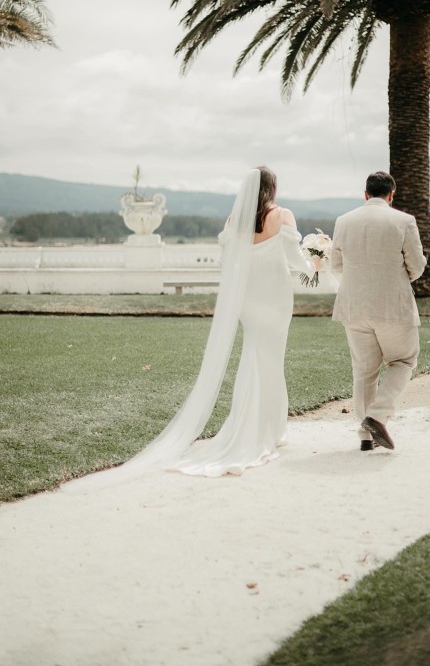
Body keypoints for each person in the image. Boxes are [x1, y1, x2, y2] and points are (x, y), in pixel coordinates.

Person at [62, 166, 317, 491]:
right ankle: (269, 429)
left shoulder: (233, 221)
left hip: (249, 301)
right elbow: (294, 259)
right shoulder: (282, 215)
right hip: (276, 298)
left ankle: (260, 426)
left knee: (254, 354)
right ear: (272, 188)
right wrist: (315, 262)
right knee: (271, 359)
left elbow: (230, 262)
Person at [330, 171, 427, 452]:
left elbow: (337, 265)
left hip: (353, 305)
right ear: (391, 195)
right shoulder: (404, 221)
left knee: (364, 370)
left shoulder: (343, 221)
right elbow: (417, 267)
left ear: (365, 194)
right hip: (393, 305)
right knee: (404, 361)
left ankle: (365, 433)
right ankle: (377, 415)